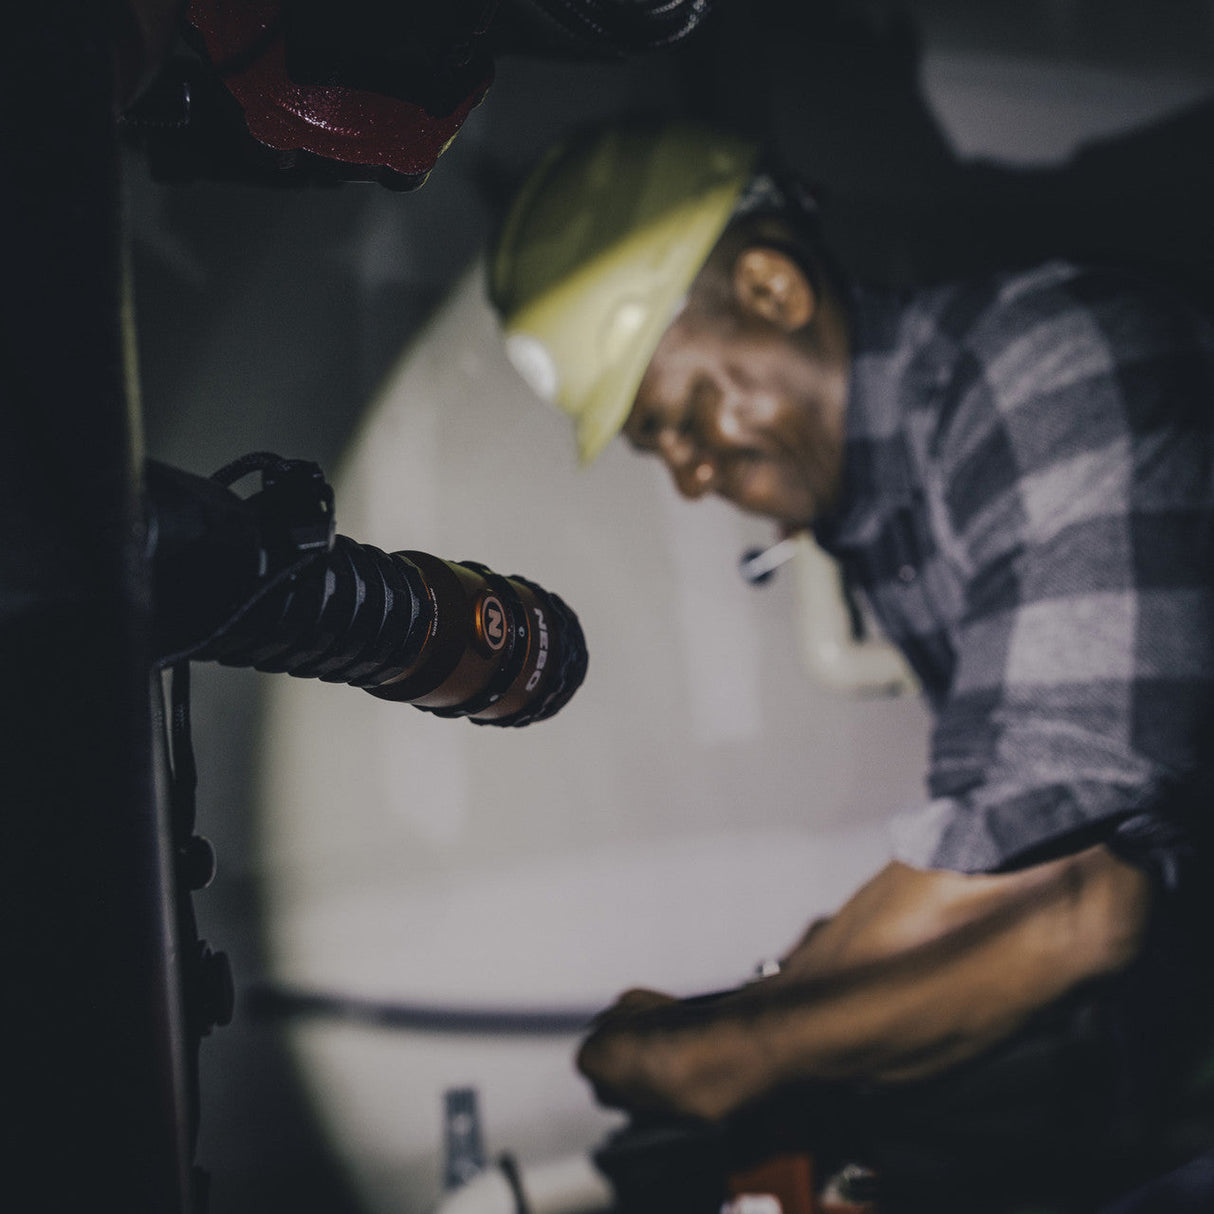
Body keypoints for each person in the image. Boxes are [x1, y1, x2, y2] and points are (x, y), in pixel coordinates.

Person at [488, 120, 1214, 1203]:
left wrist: (723, 1047)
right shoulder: (886, 511)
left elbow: (1064, 903)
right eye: (659, 449)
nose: (689, 476)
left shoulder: (1044, 371)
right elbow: (991, 846)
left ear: (773, 287)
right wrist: (758, 1010)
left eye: (687, 415)